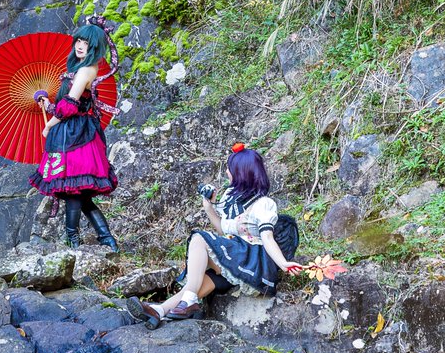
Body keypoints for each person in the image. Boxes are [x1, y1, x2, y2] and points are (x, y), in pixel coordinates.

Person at [129, 144, 302, 327]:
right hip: (234, 256)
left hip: (251, 260)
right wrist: (208, 206)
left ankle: (188, 302)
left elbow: (267, 237)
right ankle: (160, 311)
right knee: (200, 281)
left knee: (199, 238)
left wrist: (283, 263)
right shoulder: (229, 198)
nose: (227, 172)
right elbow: (223, 231)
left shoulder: (263, 204)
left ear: (241, 172)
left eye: (230, 168)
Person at [29, 20, 120, 252]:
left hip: (75, 135)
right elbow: (66, 104)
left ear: (95, 47)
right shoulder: (81, 67)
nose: (80, 46)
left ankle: (74, 242)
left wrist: (49, 125)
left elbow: (70, 105)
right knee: (82, 195)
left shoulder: (86, 70)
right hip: (72, 132)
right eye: (78, 41)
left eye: (86, 43)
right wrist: (48, 105)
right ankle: (107, 241)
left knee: (73, 191)